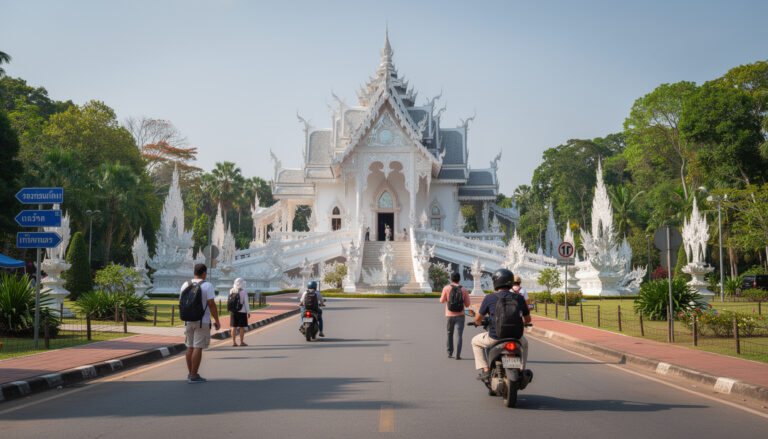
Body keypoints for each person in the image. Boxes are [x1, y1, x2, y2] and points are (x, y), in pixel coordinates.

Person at [471, 268, 531, 382]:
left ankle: (485, 369)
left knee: (475, 341)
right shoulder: (519, 298)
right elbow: (527, 319)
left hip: (495, 337)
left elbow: (478, 318)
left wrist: (476, 323)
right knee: (526, 344)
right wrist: (522, 323)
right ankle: (522, 370)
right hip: (516, 337)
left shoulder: (490, 298)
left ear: (496, 282)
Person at [180, 263, 220, 383]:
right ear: (204, 273)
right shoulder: (207, 285)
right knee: (198, 347)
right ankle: (193, 375)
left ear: (194, 272)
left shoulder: (185, 284)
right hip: (202, 321)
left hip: (188, 320)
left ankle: (191, 373)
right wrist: (217, 320)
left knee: (189, 346)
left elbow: (181, 303)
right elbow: (211, 305)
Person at [440, 272, 470, 359]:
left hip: (449, 315)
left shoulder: (446, 288)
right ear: (459, 279)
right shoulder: (463, 289)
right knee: (459, 335)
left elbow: (442, 301)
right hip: (460, 315)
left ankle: (450, 352)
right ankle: (458, 355)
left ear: (451, 279)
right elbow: (467, 304)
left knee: (449, 333)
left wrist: (447, 299)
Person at [229, 278, 251, 346]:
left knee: (233, 326)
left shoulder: (231, 290)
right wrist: (248, 312)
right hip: (242, 311)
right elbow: (246, 303)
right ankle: (241, 342)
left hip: (233, 311)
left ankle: (233, 342)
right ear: (242, 283)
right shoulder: (244, 291)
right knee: (242, 327)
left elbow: (230, 301)